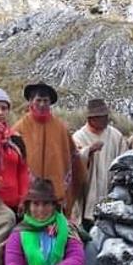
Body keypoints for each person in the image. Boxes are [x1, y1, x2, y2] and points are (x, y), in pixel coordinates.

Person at [13, 82, 85, 213]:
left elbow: (73, 160)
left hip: (55, 198)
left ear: (50, 103)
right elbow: (13, 164)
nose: (42, 104)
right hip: (29, 198)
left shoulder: (61, 128)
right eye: (38, 100)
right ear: (30, 101)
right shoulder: (19, 129)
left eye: (45, 101)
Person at [72, 99, 129, 227]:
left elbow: (124, 159)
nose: (105, 120)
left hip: (110, 192)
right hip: (87, 194)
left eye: (106, 116)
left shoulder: (116, 136)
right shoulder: (79, 137)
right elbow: (73, 163)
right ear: (91, 119)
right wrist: (89, 151)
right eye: (101, 117)